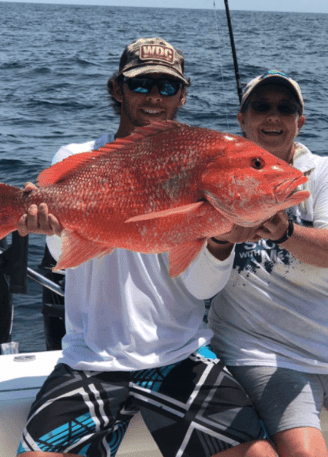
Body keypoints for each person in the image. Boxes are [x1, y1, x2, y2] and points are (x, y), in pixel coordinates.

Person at [15, 38, 276, 457]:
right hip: (92, 360)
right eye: (142, 84)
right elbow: (63, 258)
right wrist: (50, 226)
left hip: (180, 355)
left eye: (167, 87)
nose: (155, 97)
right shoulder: (79, 156)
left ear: (183, 94)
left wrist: (222, 239)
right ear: (118, 89)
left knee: (257, 454)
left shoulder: (202, 159)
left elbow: (202, 288)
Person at [206, 70, 328, 457]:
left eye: (286, 108)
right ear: (241, 119)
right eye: (260, 107)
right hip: (264, 351)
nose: (273, 117)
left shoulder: (325, 171)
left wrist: (284, 230)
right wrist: (218, 238)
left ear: (301, 121)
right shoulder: (214, 176)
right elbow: (194, 275)